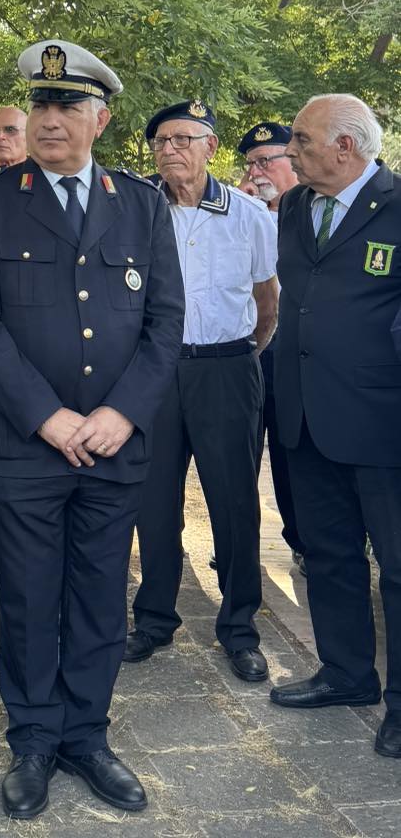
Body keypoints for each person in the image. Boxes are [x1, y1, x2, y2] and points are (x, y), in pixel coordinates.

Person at [0, 39, 184, 819]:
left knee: (97, 595)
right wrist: (47, 416)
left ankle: (85, 735)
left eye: (67, 105)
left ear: (100, 119)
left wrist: (121, 413)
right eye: (41, 104)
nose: (50, 119)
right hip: (26, 445)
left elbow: (165, 320)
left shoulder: (141, 204)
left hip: (115, 445)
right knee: (26, 597)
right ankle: (31, 739)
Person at [124, 101, 278, 684]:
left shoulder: (249, 215)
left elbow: (267, 302)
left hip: (226, 370)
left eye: (183, 139)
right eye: (161, 141)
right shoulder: (138, 209)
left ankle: (239, 628)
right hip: (156, 373)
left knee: (234, 502)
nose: (170, 150)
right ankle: (154, 619)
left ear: (211, 146)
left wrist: (239, 357)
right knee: (153, 500)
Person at [269, 94, 401, 761]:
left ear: (344, 146)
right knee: (328, 554)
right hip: (304, 415)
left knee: (398, 568)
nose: (289, 151)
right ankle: (346, 673)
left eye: (300, 139)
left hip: (381, 420)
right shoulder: (295, 205)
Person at [238, 121, 305, 576]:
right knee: (238, 455)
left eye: (266, 161)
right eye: (251, 164)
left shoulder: (312, 214)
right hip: (245, 351)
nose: (257, 172)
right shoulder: (238, 214)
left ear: (293, 161)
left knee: (290, 455)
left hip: (294, 355)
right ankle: (237, 544)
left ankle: (303, 541)